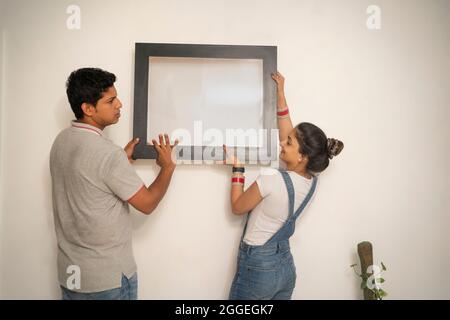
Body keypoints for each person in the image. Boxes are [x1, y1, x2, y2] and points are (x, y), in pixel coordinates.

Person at [50, 67, 177, 300]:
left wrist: (120, 162)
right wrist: (167, 167)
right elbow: (147, 203)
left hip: (71, 275)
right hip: (106, 281)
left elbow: (89, 184)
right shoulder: (107, 154)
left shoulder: (62, 141)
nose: (119, 104)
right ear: (87, 108)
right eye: (111, 101)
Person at [225, 71, 344, 300]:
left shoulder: (272, 178)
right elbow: (288, 131)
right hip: (285, 269)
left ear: (302, 156)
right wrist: (280, 92)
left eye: (288, 142)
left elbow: (238, 207)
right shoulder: (309, 181)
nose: (282, 141)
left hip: (259, 270)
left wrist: (237, 168)